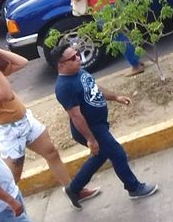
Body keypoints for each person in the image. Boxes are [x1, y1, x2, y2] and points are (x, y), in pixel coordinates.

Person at [0, 37, 96, 208]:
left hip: (24, 120)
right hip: (8, 131)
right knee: (12, 177)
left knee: (51, 153)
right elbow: (6, 95)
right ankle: (3, 211)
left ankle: (73, 190)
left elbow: (23, 62)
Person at [51, 41, 158, 203]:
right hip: (91, 129)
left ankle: (74, 190)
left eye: (78, 54)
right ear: (61, 65)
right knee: (117, 154)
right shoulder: (64, 87)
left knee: (100, 156)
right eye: (73, 58)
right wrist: (91, 140)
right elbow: (76, 116)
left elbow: (94, 87)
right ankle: (134, 188)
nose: (78, 58)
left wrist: (115, 97)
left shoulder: (78, 71)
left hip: (99, 124)